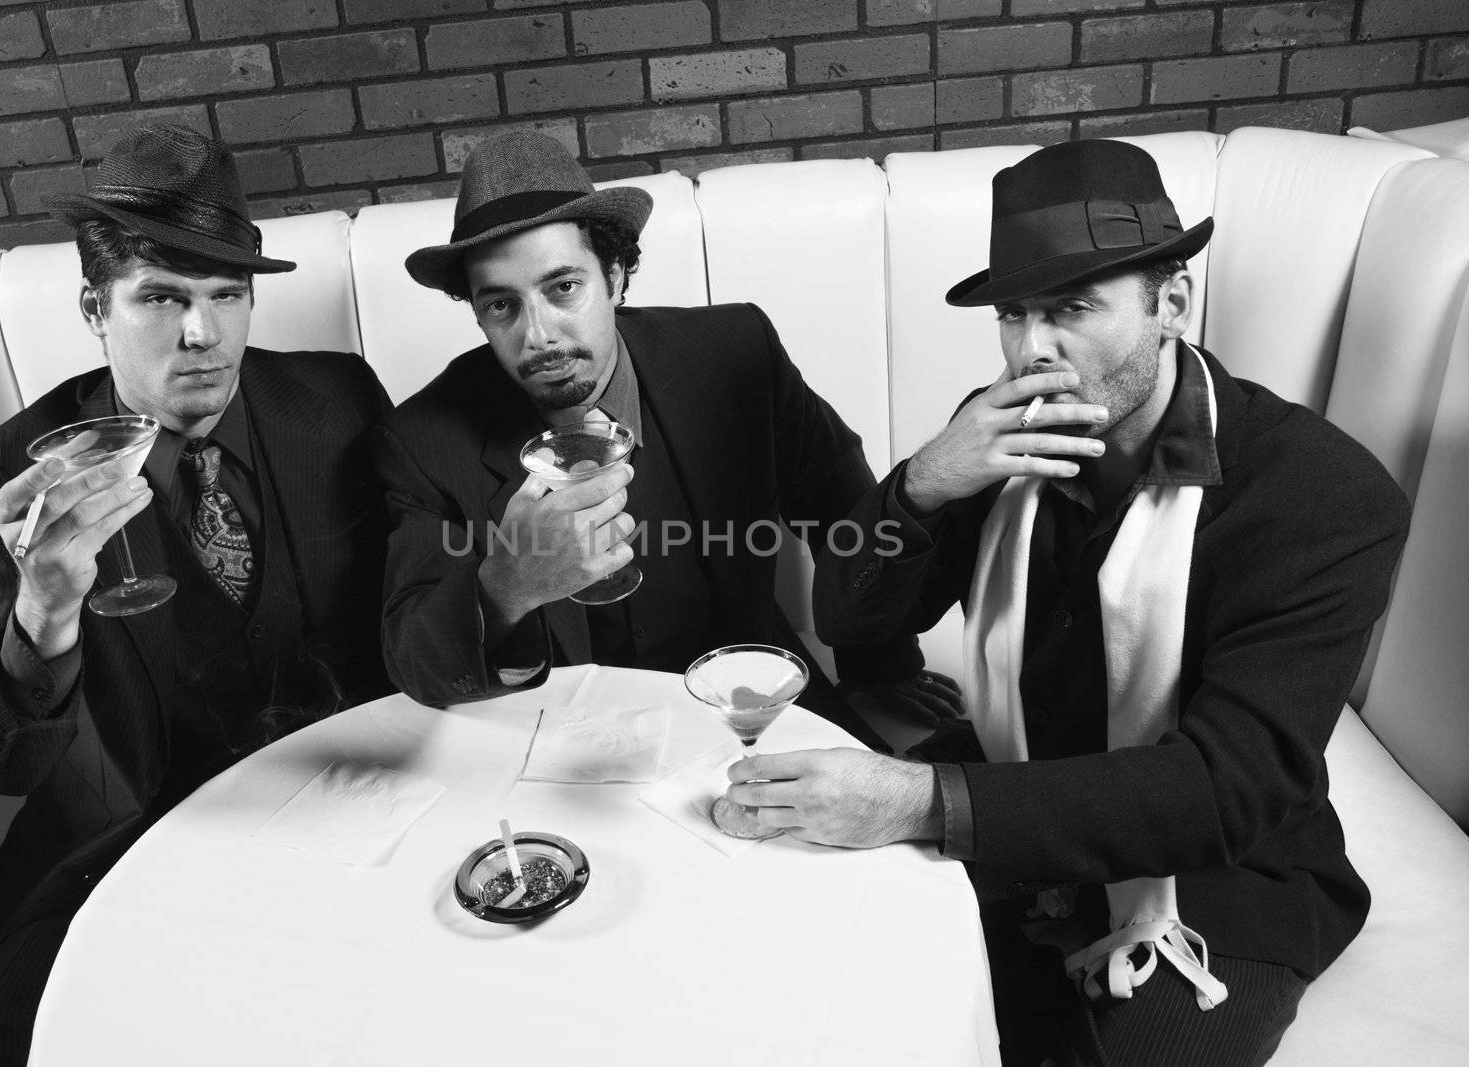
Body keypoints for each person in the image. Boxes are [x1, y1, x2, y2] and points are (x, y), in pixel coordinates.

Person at [771, 140, 1408, 1065]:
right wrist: (921, 485)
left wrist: (922, 799)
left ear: (1172, 303)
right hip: (1009, 773)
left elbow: (1229, 788)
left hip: (1213, 875)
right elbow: (852, 621)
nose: (1034, 350)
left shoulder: (1323, 495)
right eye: (1015, 315)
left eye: (1072, 308)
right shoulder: (997, 430)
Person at [0, 125, 394, 1066]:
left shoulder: (341, 402)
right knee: (3, 1040)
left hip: (345, 811)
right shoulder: (13, 471)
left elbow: (423, 600)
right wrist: (46, 610)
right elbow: (1, 761)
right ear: (92, 306)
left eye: (228, 295)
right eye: (162, 297)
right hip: (133, 835)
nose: (204, 333)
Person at [372, 131, 956, 747]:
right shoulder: (421, 440)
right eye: (501, 306)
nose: (538, 334)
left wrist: (880, 663)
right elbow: (413, 660)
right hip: (561, 740)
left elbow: (840, 507)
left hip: (750, 701)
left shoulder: (735, 353)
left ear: (616, 274)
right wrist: (505, 587)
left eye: (563, 288)